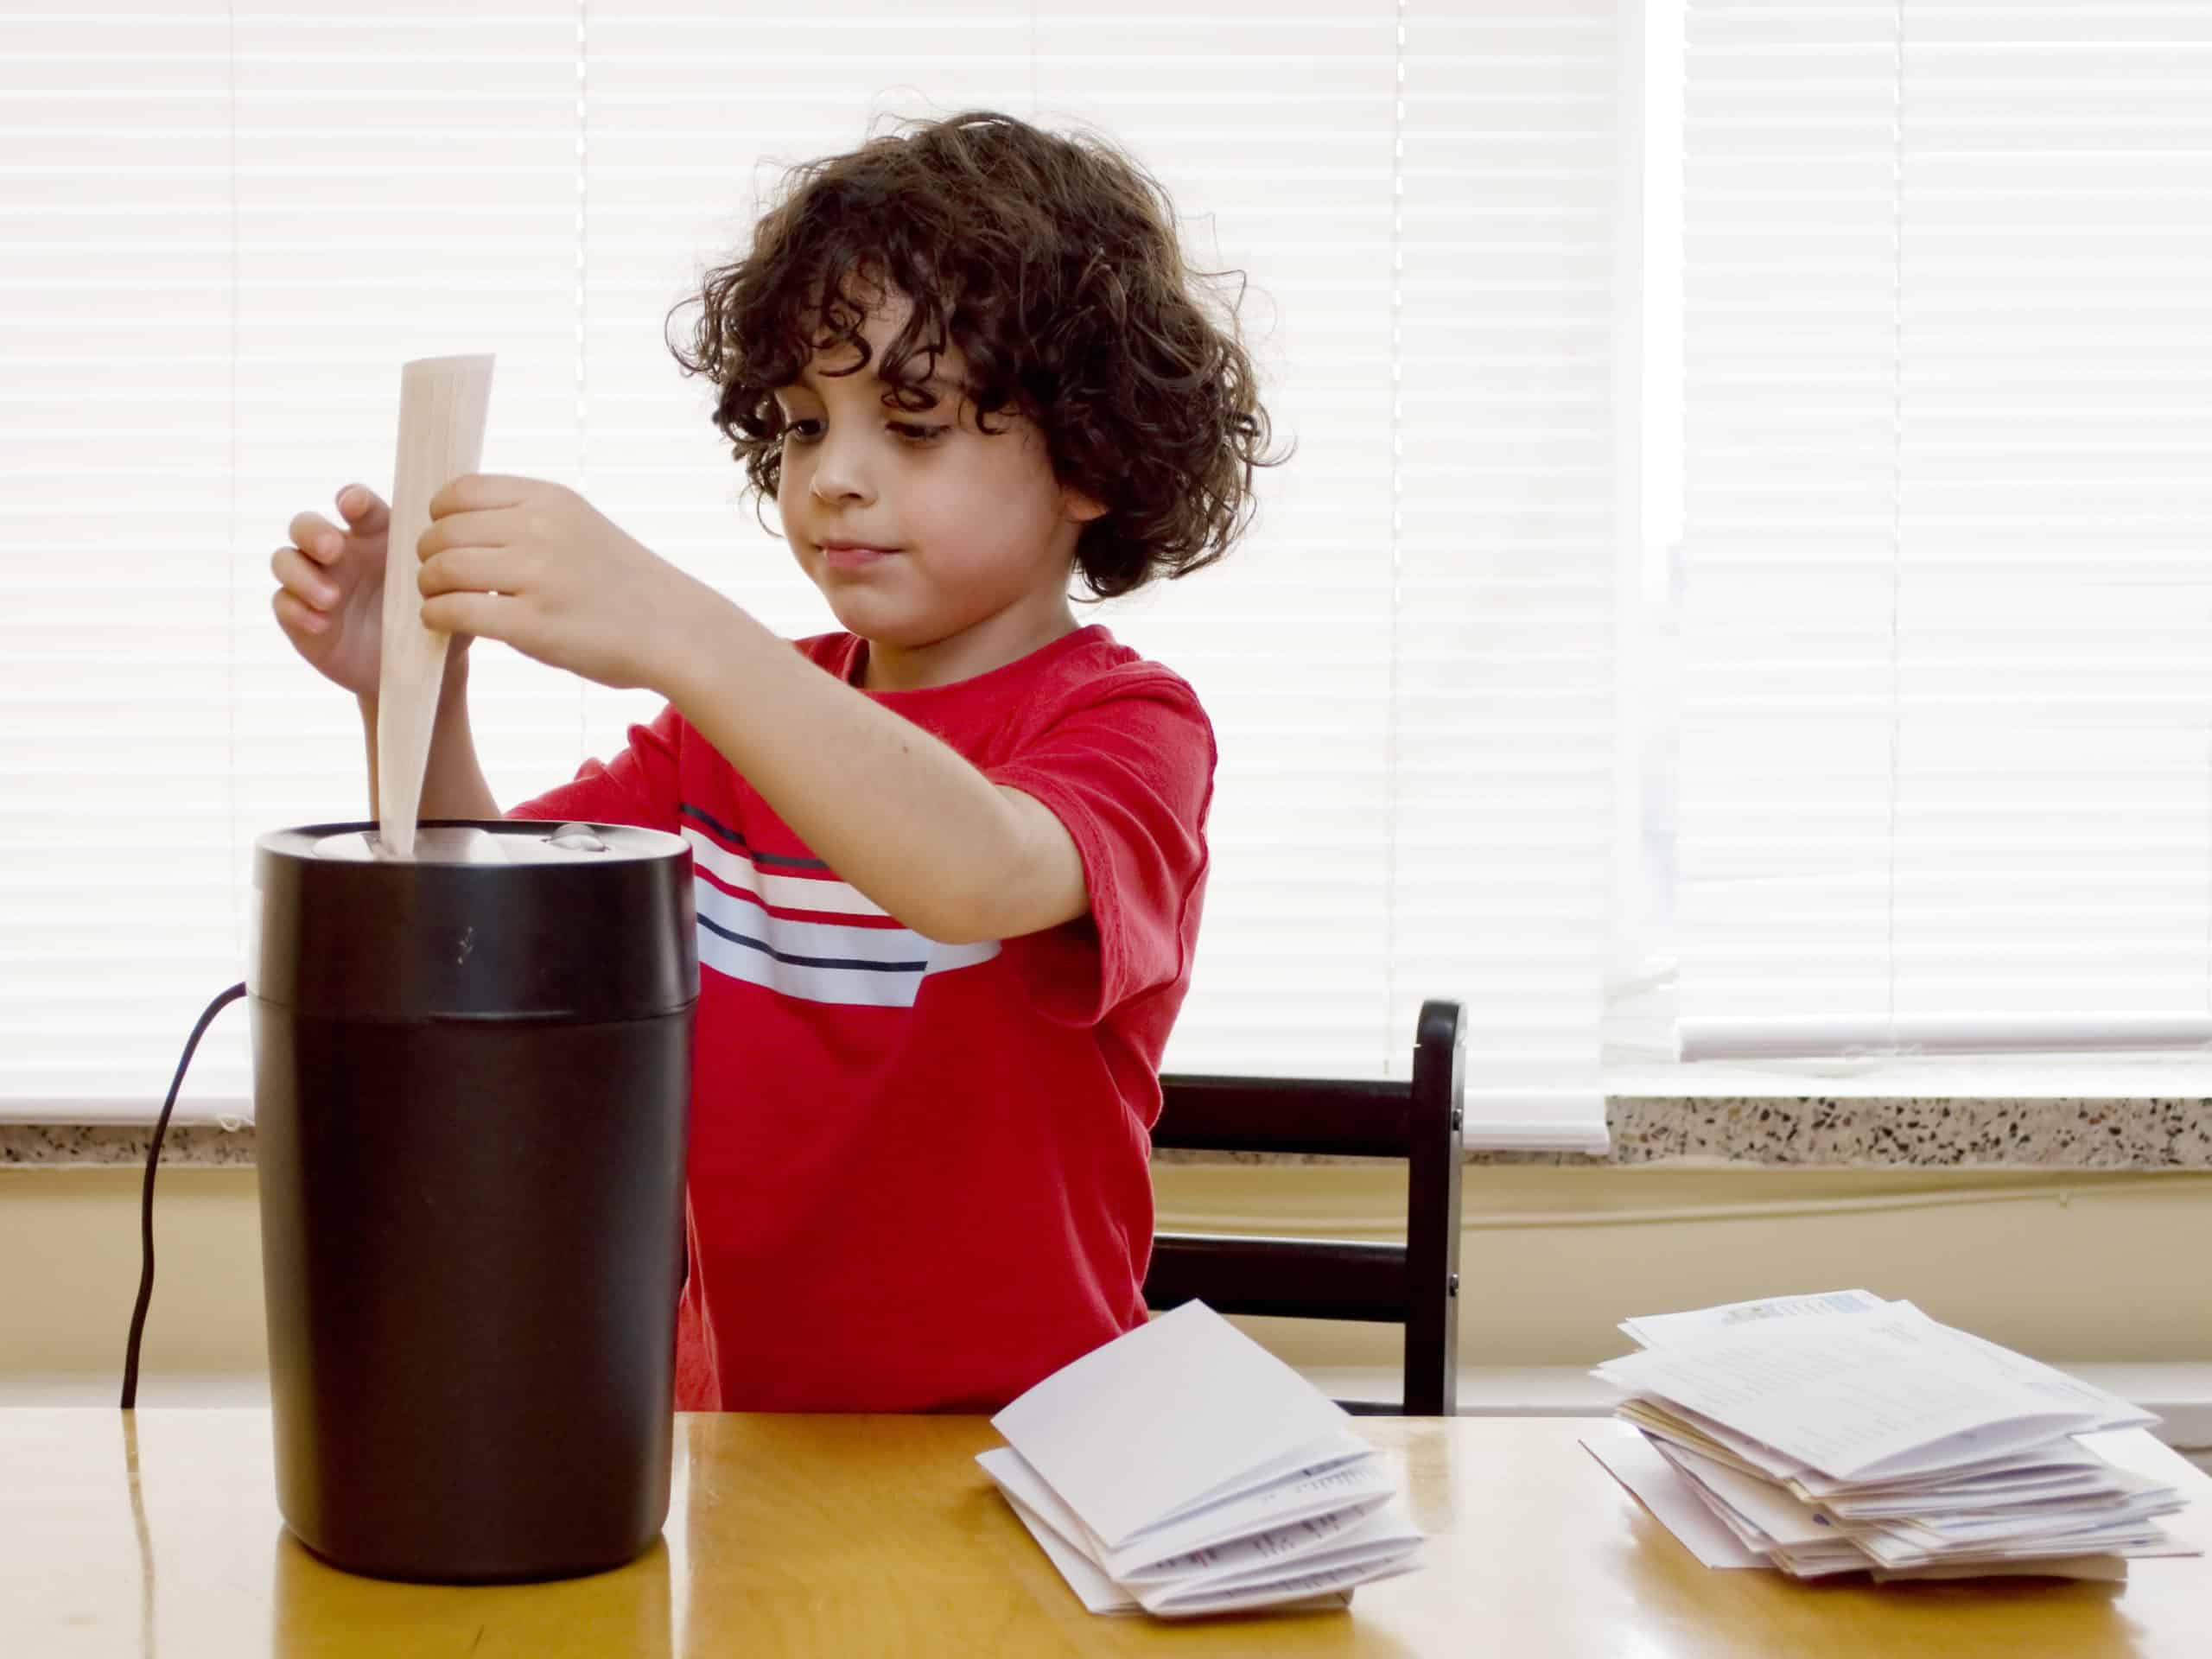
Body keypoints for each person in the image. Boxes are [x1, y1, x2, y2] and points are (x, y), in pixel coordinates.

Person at [267, 109, 1287, 1412]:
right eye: (806, 425)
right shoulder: (730, 723)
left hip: (1027, 1454)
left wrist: (681, 627)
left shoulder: (1128, 728)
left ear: (1091, 456)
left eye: (912, 427)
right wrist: (409, 696)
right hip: (736, 1446)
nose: (833, 481)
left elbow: (973, 873)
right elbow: (504, 910)